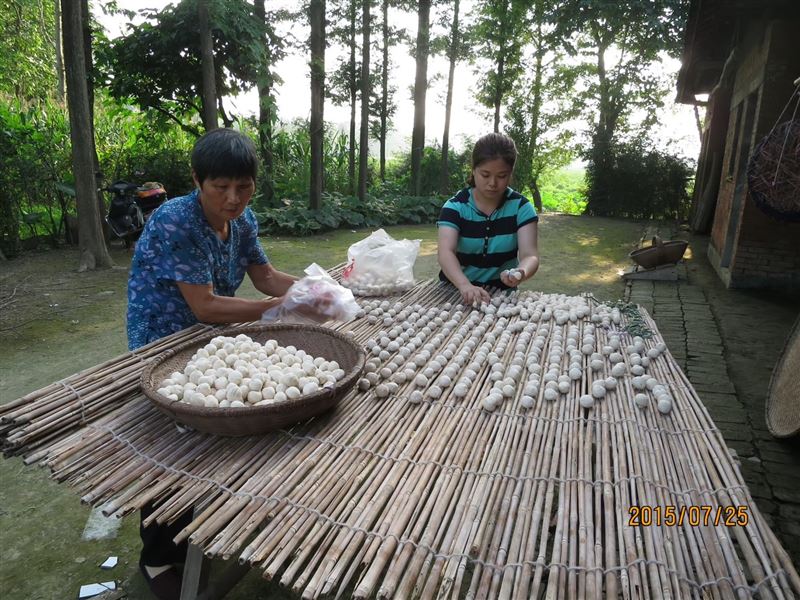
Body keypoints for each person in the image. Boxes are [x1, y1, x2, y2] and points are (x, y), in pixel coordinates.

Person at [126, 128, 315, 599]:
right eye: (221, 187)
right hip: (163, 342)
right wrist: (279, 309)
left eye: (244, 187)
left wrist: (314, 289)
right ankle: (157, 557)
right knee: (173, 451)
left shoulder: (243, 221)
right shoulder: (175, 221)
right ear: (197, 180)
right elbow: (206, 306)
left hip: (209, 342)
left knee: (217, 441)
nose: (233, 199)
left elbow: (266, 275)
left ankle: (205, 523)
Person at [437, 132, 540, 305]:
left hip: (501, 298)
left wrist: (520, 272)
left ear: (510, 173)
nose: (493, 183)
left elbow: (530, 256)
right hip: (454, 293)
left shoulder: (521, 208)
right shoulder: (455, 207)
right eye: (485, 174)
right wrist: (465, 285)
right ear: (473, 170)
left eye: (502, 176)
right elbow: (445, 252)